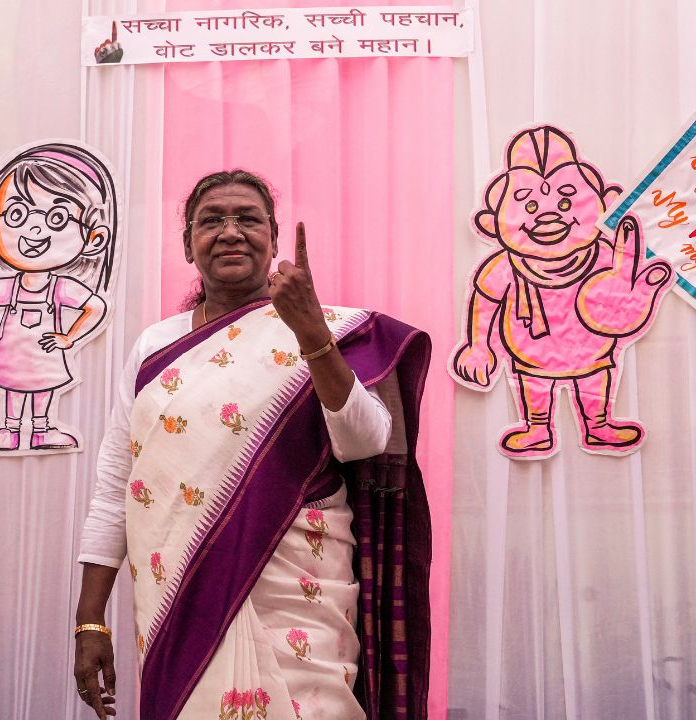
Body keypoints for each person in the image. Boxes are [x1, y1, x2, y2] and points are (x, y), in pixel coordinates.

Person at [73, 170, 432, 719]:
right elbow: (115, 483)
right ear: (188, 242)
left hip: (298, 598)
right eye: (211, 220)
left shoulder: (328, 328)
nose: (230, 232)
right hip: (182, 601)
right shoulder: (155, 346)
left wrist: (312, 334)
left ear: (274, 236)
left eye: (248, 219)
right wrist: (90, 619)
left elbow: (364, 440)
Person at [0, 142, 118, 451]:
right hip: (13, 352)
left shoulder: (61, 287)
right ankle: (10, 431)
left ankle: (41, 430)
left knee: (43, 387)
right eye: (17, 214)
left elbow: (97, 307)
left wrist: (70, 337)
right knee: (12, 385)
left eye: (57, 219)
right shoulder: (12, 285)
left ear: (94, 238)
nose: (34, 229)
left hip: (45, 351)